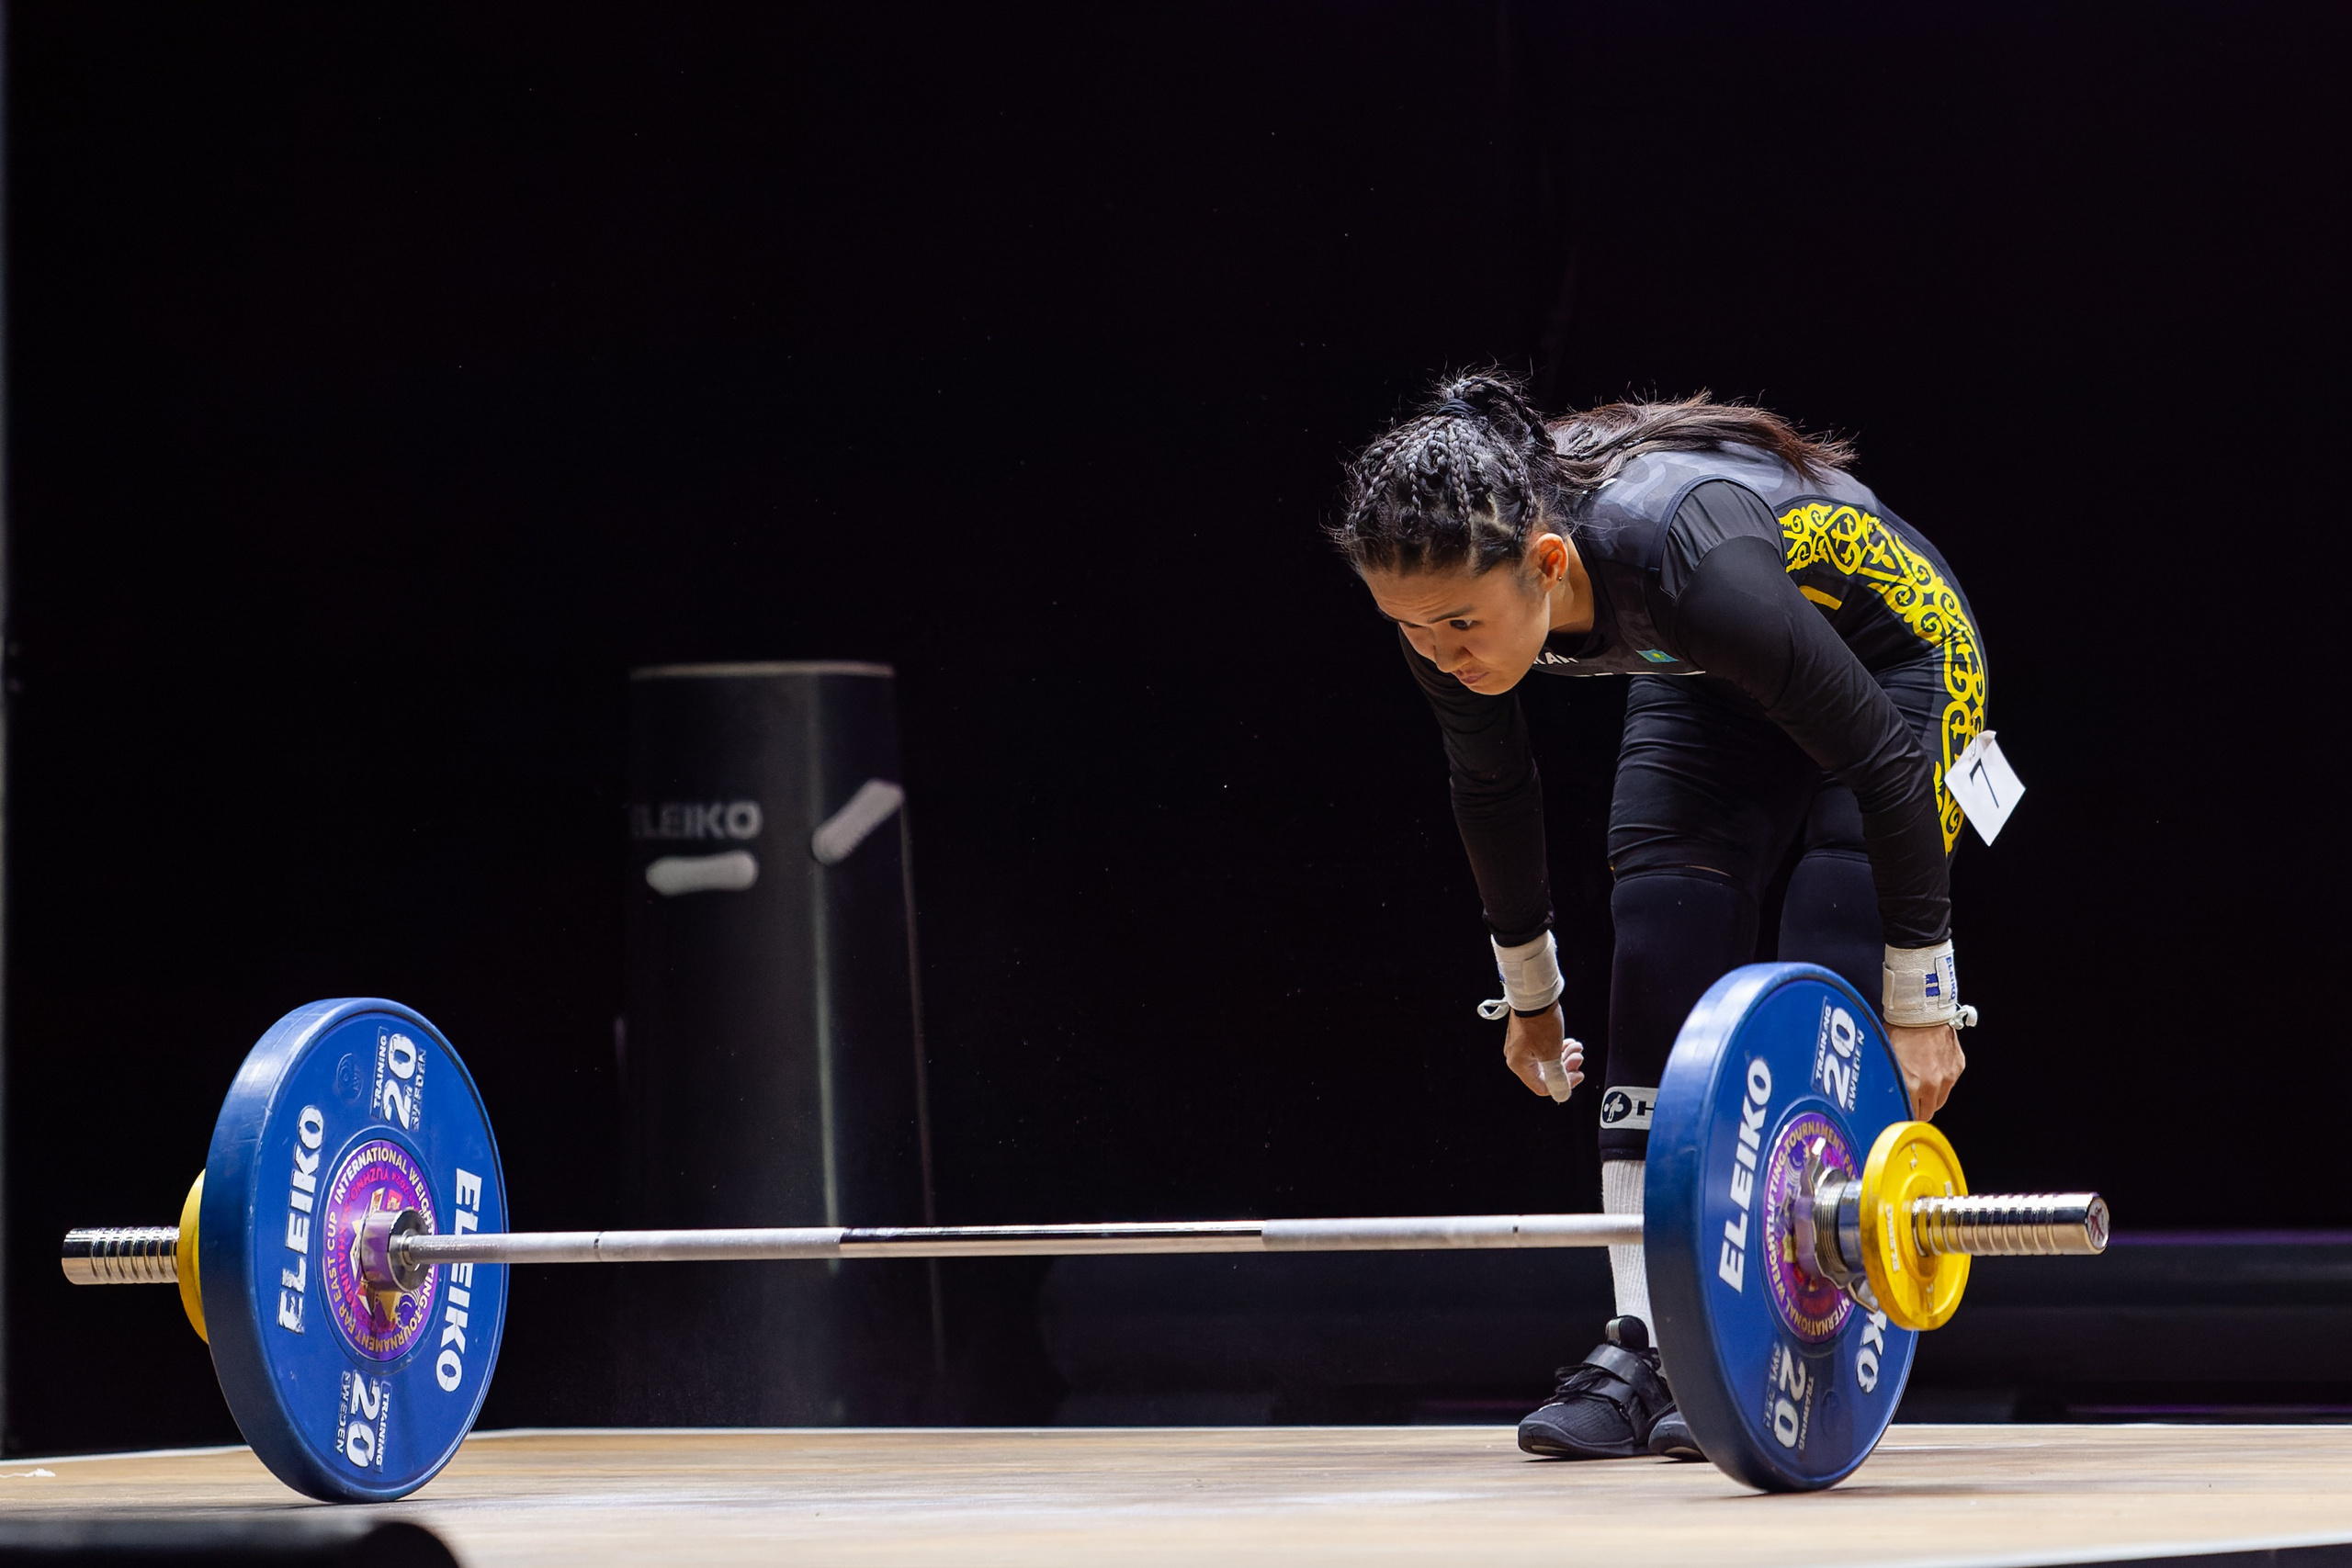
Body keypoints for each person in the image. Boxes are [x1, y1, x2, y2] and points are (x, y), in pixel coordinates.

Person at [1331, 373, 1983, 1461]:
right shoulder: (1447, 592)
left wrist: (1923, 998)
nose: (1440, 651)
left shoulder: (1687, 563)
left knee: (1832, 949)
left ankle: (1805, 1332)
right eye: (1406, 629)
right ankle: (1647, 1343)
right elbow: (1492, 790)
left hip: (1894, 667)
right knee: (1662, 935)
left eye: (1455, 624)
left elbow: (1874, 752)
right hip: (1716, 675)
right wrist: (1532, 1002)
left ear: (1546, 563)